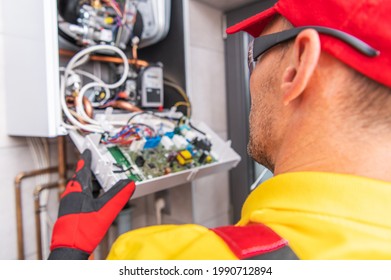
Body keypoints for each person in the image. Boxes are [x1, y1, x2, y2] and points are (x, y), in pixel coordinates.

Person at [48, 0, 391, 260]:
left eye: (254, 57)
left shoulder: (160, 259)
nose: (252, 78)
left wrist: (67, 256)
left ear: (298, 67)